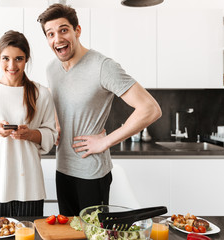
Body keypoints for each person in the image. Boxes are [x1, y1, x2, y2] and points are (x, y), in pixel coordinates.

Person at [37, 4, 162, 216]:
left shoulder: (103, 66)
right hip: (62, 168)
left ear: (77, 30)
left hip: (92, 173)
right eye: (51, 34)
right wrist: (57, 123)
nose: (57, 38)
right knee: (69, 234)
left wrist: (105, 141)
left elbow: (150, 109)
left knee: (95, 234)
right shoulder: (51, 69)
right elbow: (59, 99)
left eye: (63, 30)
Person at [0, 30, 57, 217]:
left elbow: (51, 135)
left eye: (18, 59)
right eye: (6, 58)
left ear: (26, 59)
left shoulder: (41, 93)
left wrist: (29, 134)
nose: (12, 65)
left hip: (29, 188)